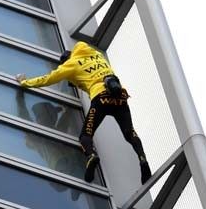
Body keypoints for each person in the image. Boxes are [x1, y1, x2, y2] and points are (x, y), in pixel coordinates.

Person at [16, 41, 151, 184]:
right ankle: (143, 159)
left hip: (101, 99)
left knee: (85, 136)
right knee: (129, 133)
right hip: (120, 98)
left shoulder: (71, 64)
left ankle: (91, 156)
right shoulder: (96, 54)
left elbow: (48, 79)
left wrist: (25, 82)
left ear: (66, 61)